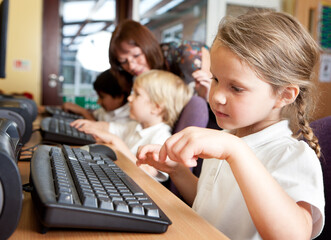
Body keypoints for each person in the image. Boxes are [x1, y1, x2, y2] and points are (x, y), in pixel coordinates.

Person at [136, 11, 325, 239]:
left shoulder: (291, 155)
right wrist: (177, 171)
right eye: (215, 79)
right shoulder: (226, 138)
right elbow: (211, 205)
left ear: (284, 95)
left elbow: (294, 235)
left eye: (236, 88)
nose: (216, 97)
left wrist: (236, 151)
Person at [71, 70, 193, 182]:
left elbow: (149, 174)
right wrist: (92, 125)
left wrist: (116, 141)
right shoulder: (136, 126)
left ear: (156, 107)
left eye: (137, 94)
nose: (129, 98)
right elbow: (110, 127)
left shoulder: (162, 137)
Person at [108, 19, 212, 101]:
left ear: (147, 46)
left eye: (136, 55)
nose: (132, 66)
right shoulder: (130, 77)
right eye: (123, 62)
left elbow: (198, 107)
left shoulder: (187, 54)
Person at [62, 69, 132, 123]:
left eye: (102, 97)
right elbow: (93, 116)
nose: (98, 101)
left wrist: (84, 112)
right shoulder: (106, 110)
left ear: (119, 97)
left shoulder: (127, 117)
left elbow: (100, 133)